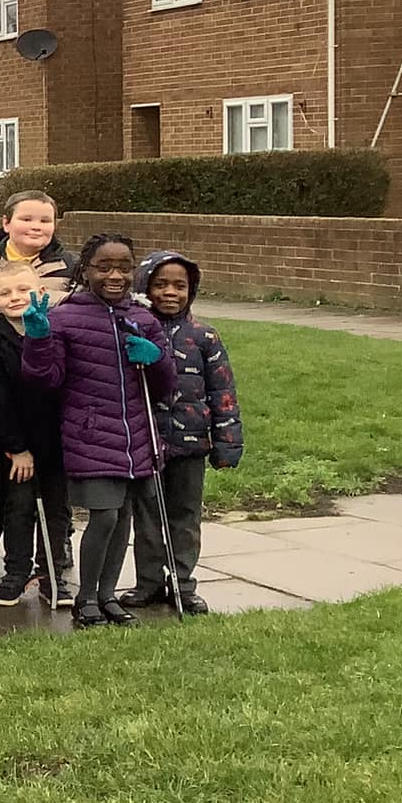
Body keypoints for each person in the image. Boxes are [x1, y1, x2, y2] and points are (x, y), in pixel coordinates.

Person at [19, 233, 176, 628]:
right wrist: (37, 339)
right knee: (104, 516)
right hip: (90, 434)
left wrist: (156, 359)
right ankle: (85, 597)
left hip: (136, 437)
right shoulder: (66, 317)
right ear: (85, 271)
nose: (115, 276)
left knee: (122, 518)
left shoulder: (143, 319)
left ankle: (107, 596)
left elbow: (164, 386)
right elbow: (45, 379)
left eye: (123, 267)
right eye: (103, 267)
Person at [122, 251, 243, 616]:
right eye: (160, 285)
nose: (170, 293)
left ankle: (183, 583)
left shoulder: (204, 336)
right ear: (145, 287)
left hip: (191, 442)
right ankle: (148, 582)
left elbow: (222, 391)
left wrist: (227, 441)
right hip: (147, 440)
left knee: (185, 516)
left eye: (179, 286)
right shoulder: (133, 329)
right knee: (147, 516)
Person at [0, 262, 73, 609]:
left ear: (40, 293)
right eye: (5, 293)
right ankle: (16, 572)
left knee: (56, 510)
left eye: (23, 290)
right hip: (18, 444)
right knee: (18, 507)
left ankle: (52, 574)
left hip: (57, 439)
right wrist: (16, 447)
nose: (15, 298)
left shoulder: (55, 330)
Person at [0, 190, 79, 300]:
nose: (36, 227)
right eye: (26, 220)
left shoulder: (74, 267)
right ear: (6, 223)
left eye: (45, 221)